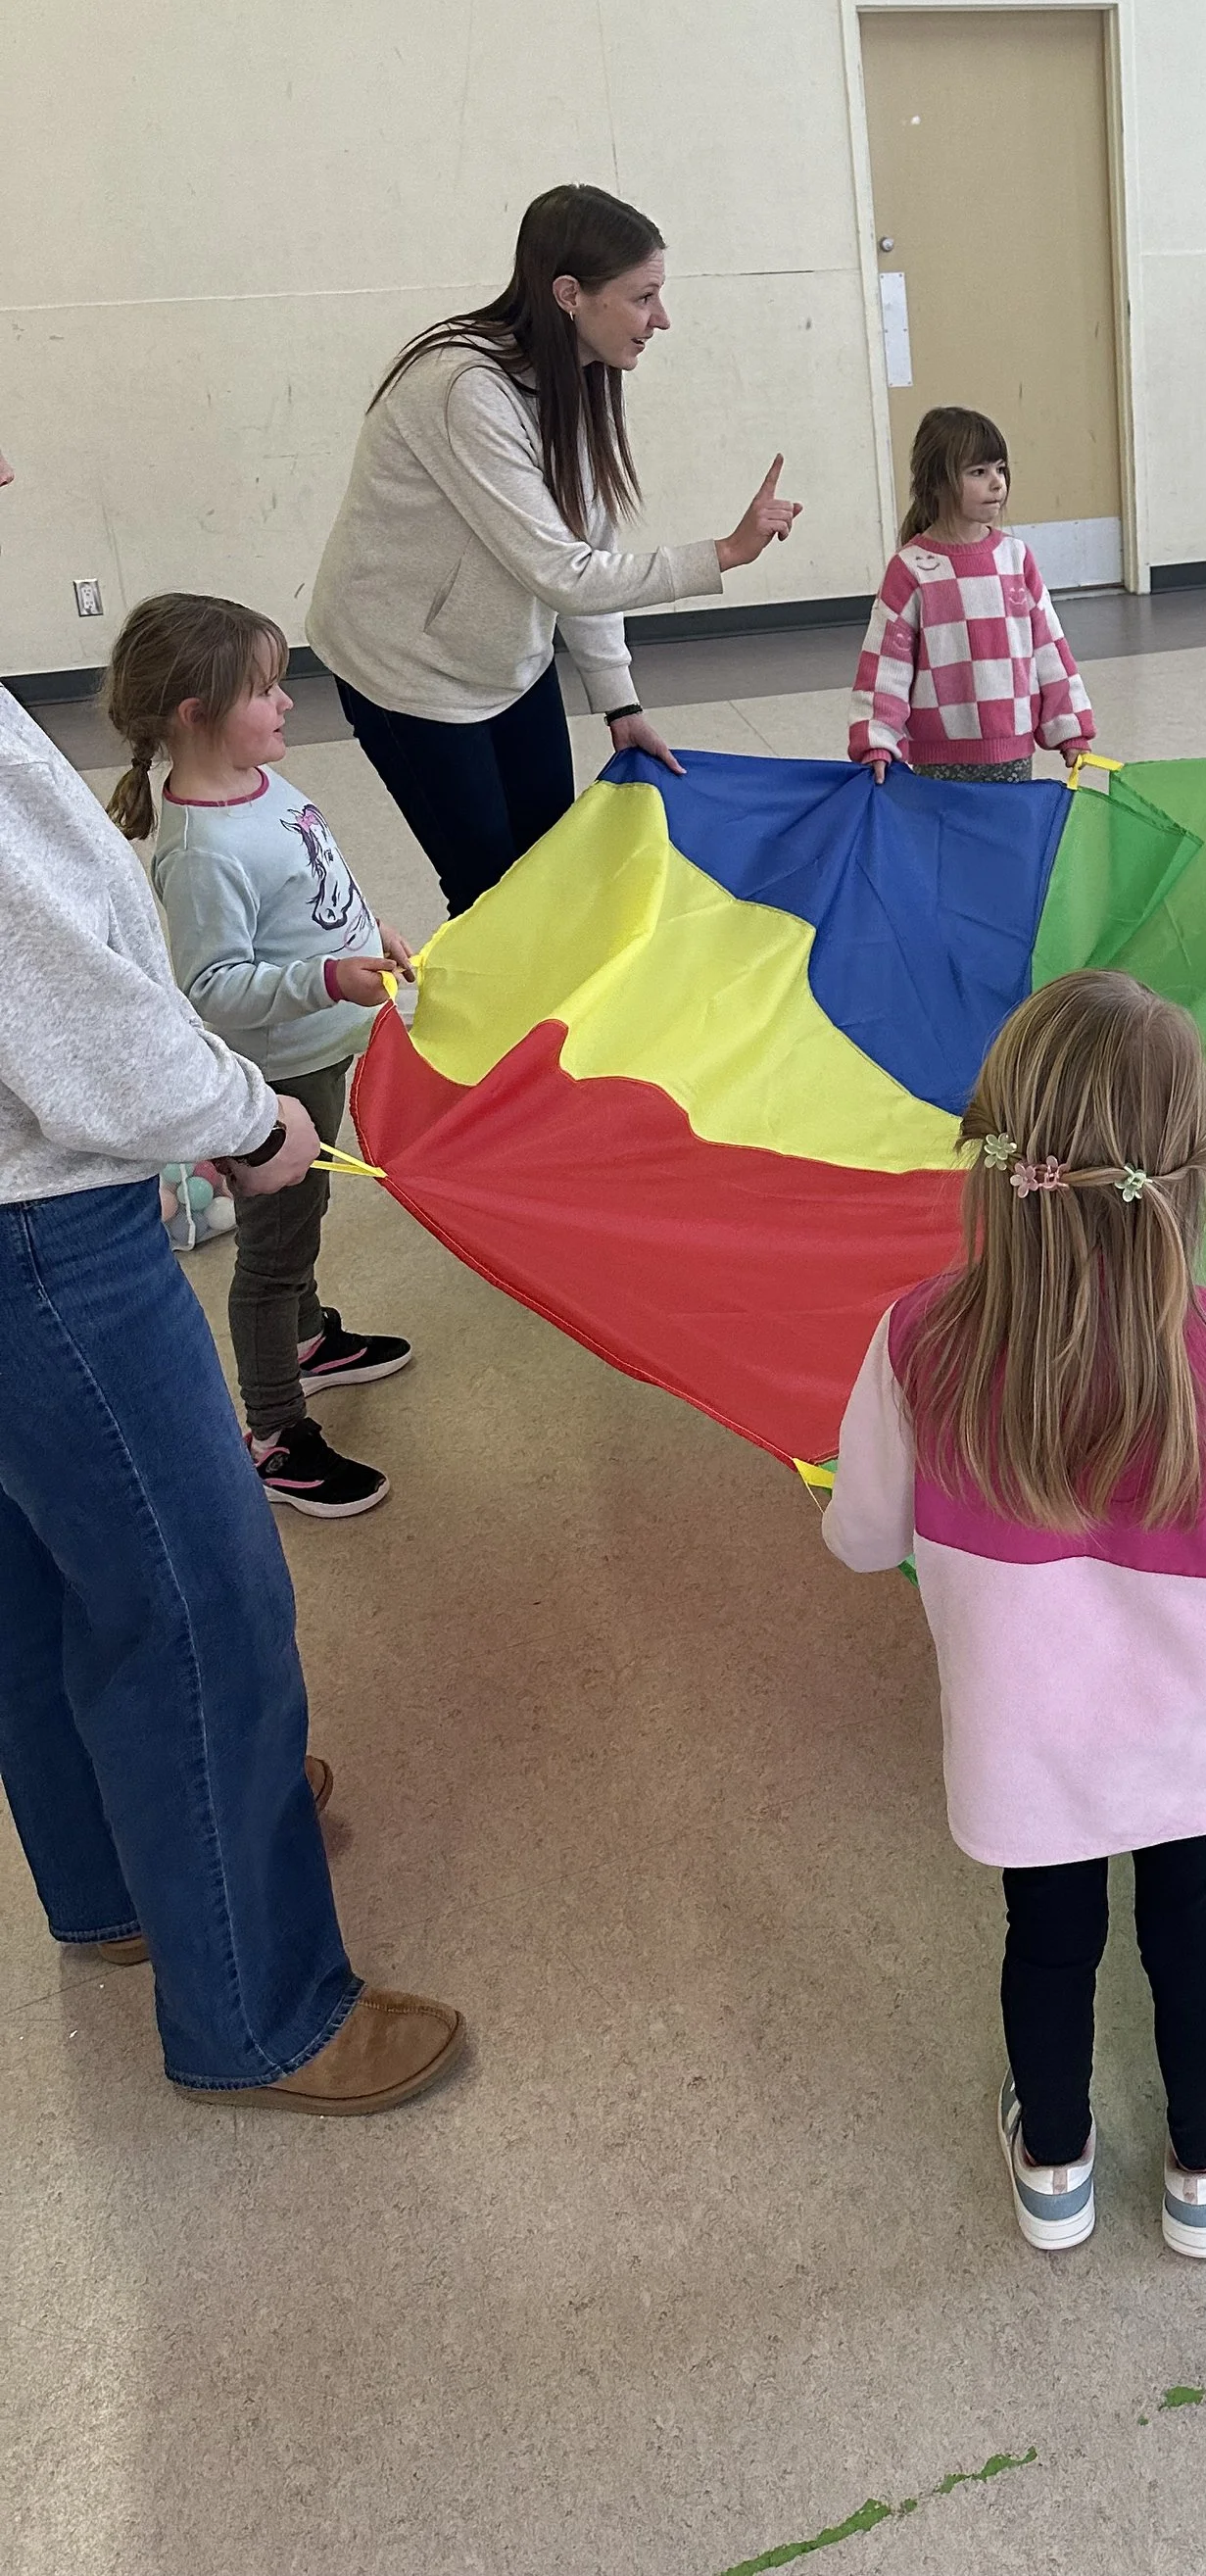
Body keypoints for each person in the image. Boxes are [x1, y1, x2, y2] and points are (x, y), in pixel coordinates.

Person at [0, 440, 462, 2112]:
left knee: (44, 1573)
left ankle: (129, 1874)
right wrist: (246, 1111)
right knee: (200, 1600)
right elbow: (70, 1008)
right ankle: (261, 2005)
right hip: (41, 1232)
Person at [826, 970, 1206, 2257]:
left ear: (999, 1162)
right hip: (1191, 1758)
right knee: (1196, 1940)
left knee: (1045, 1945)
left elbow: (860, 1538)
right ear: (1188, 1179)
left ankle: (1052, 2166)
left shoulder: (915, 1345)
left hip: (1017, 1757)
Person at [307, 182, 801, 914]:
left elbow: (587, 543)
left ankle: (550, 1021)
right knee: (488, 892)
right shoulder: (463, 389)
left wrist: (619, 699)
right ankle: (495, 1028)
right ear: (570, 294)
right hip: (405, 671)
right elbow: (563, 572)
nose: (660, 319)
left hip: (507, 659)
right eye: (643, 297)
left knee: (549, 872)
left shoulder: (580, 375)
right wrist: (722, 553)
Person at [107, 593, 415, 1520]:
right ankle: (277, 1431)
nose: (286, 704)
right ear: (196, 714)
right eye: (265, 690)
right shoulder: (200, 849)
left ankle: (310, 1342)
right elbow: (214, 988)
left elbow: (313, 880)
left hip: (320, 1046)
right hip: (277, 1074)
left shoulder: (261, 781)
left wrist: (366, 929)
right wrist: (327, 978)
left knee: (304, 1214)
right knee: (273, 1252)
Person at [848, 407, 1095, 785]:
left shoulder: (1016, 558)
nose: (997, 483)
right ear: (936, 482)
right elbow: (885, 666)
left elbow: (1049, 649)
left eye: (1000, 469)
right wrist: (876, 741)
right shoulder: (911, 568)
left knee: (1006, 842)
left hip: (1014, 753)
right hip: (940, 760)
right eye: (978, 472)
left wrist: (1071, 728)